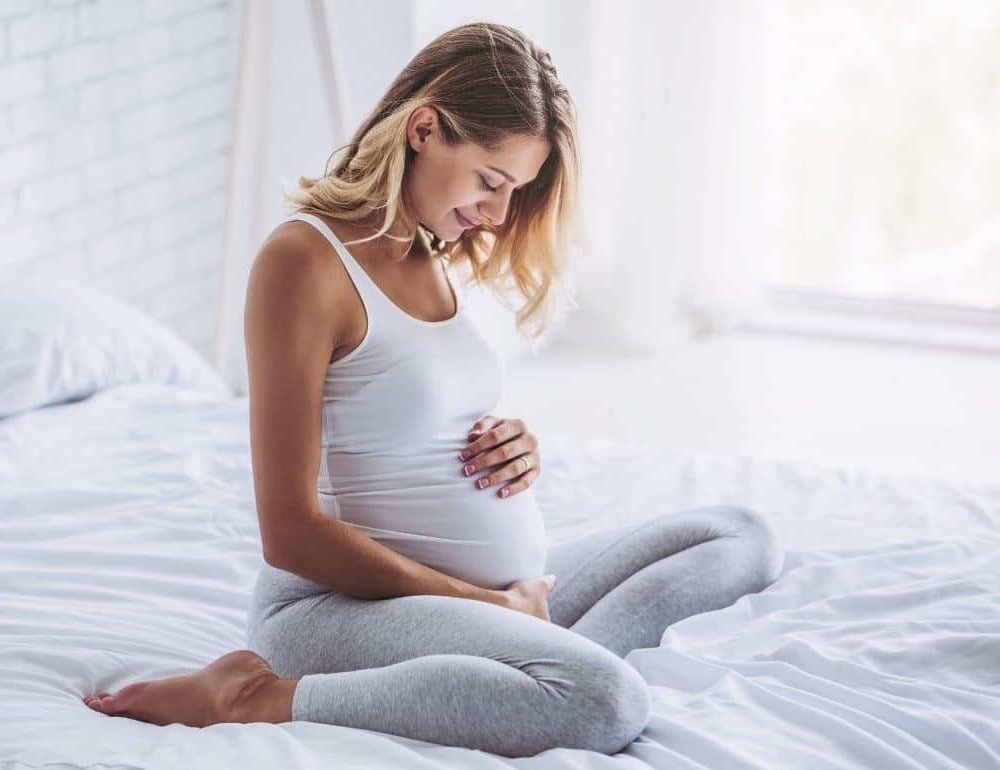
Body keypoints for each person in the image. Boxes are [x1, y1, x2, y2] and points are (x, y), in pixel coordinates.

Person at [83, 22, 785, 757]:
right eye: (490, 180)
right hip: (336, 610)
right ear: (424, 128)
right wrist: (484, 605)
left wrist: (515, 447)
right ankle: (257, 696)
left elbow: (408, 414)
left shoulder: (428, 247)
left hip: (483, 599)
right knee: (602, 702)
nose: (498, 214)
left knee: (739, 535)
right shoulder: (304, 262)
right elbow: (288, 532)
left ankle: (515, 658)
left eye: (513, 192)